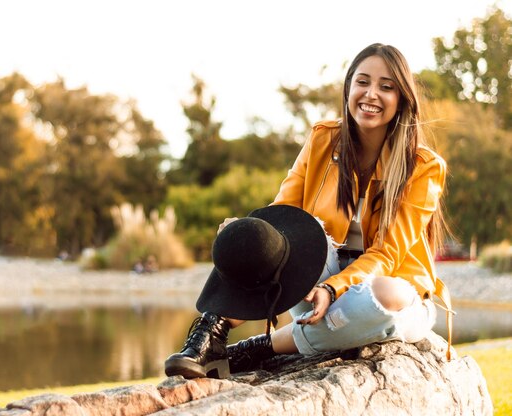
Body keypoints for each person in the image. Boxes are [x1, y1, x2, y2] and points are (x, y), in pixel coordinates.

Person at [164, 43, 454, 380]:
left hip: (382, 291)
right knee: (267, 234)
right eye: (363, 82)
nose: (371, 94)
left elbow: (389, 253)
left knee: (386, 295)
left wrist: (334, 289)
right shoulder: (322, 140)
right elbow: (284, 212)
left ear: (402, 98)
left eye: (386, 87)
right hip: (314, 282)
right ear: (349, 88)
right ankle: (211, 330)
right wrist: (250, 235)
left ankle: (258, 348)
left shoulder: (423, 166)